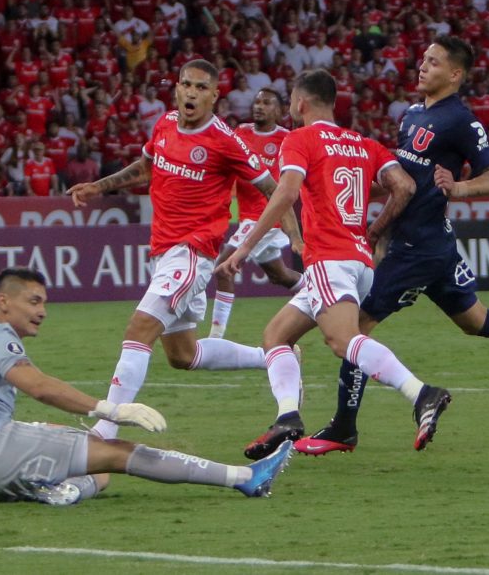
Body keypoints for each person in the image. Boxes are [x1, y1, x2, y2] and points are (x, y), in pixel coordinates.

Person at [295, 37, 489, 456]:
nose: (423, 66)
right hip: (428, 243)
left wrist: (457, 187)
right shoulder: (413, 114)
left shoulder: (460, 119)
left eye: (434, 62)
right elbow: (407, 183)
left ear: (454, 74)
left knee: (356, 330)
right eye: (423, 59)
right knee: (475, 320)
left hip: (417, 248)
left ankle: (344, 429)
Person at [0, 267, 293, 505]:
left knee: (95, 468)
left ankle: (63, 490)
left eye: (44, 303)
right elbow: (37, 386)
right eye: (34, 302)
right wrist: (111, 409)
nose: (42, 312)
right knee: (114, 451)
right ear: (4, 302)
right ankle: (245, 478)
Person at [219, 68, 452, 460]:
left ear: (300, 103)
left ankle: (421, 393)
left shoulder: (300, 138)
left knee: (341, 340)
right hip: (358, 261)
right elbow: (405, 186)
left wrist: (243, 249)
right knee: (276, 336)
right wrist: (374, 231)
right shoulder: (362, 144)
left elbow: (285, 193)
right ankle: (287, 418)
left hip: (329, 258)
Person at [68, 60, 301, 441]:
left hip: (192, 253)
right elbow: (146, 166)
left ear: (214, 95)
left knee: (139, 327)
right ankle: (274, 356)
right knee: (182, 355)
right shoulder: (165, 124)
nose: (191, 92)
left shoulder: (226, 140)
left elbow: (274, 189)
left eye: (200, 87)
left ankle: (104, 429)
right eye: (186, 85)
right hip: (163, 250)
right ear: (176, 88)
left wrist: (295, 237)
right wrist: (100, 186)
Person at [209, 88, 304, 339]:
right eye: (257, 101)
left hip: (268, 219)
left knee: (222, 268)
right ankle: (323, 296)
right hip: (248, 218)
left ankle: (216, 338)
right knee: (280, 275)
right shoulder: (241, 133)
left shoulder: (287, 139)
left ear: (280, 110)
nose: (259, 106)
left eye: (266, 102)